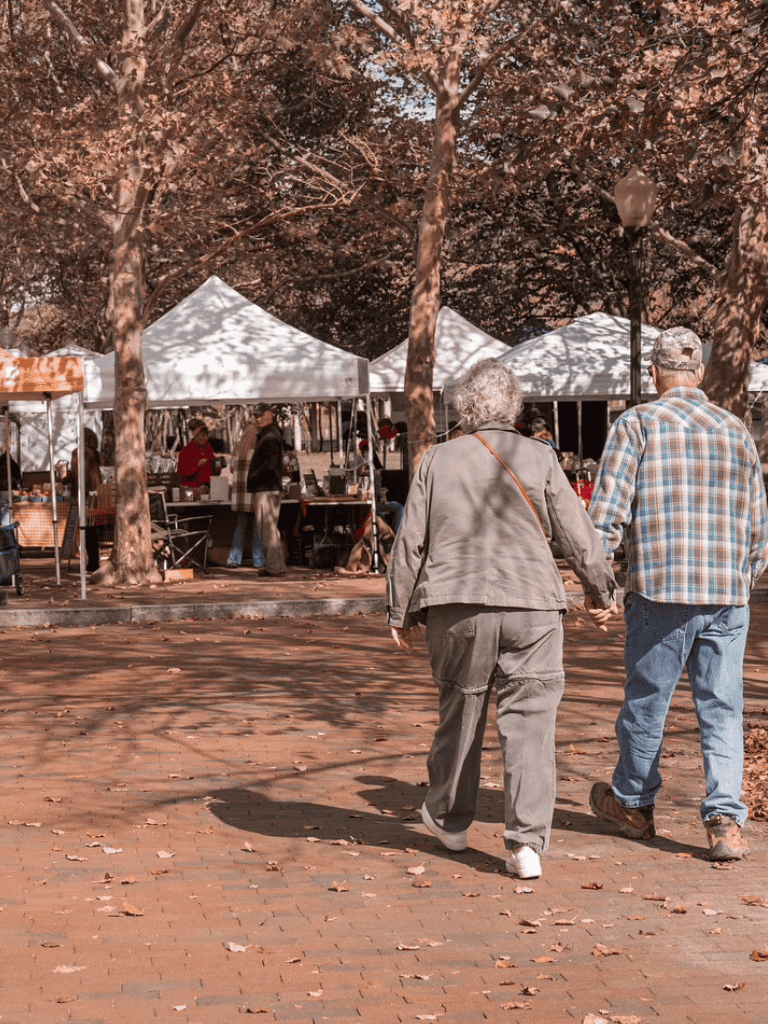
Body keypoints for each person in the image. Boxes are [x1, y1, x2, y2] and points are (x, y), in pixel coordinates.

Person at [386, 358, 617, 879]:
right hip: (534, 603)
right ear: (512, 406)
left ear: (464, 407)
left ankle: (449, 819)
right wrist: (601, 591)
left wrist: (399, 607)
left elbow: (411, 540)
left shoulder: (436, 459)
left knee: (460, 714)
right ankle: (527, 844)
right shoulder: (540, 457)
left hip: (457, 602)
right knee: (531, 723)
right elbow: (576, 532)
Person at [586, 327, 768, 862]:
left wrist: (601, 588)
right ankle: (725, 822)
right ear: (702, 374)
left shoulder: (637, 423)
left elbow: (606, 517)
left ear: (654, 373)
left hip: (660, 591)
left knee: (648, 702)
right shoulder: (736, 430)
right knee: (722, 709)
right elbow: (759, 526)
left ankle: (636, 806)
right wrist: (743, 583)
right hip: (727, 595)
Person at [246, 404, 286, 577]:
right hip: (270, 488)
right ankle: (278, 565)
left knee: (267, 530)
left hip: (266, 489)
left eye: (261, 415)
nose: (257, 418)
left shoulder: (269, 437)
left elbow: (270, 465)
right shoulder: (271, 435)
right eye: (255, 416)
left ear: (270, 416)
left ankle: (272, 567)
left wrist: (254, 476)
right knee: (271, 529)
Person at [226, 415, 266, 570]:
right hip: (255, 493)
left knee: (240, 527)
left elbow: (231, 468)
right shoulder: (258, 448)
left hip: (240, 494)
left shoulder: (239, 447)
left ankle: (234, 560)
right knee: (257, 528)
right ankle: (258, 560)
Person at [64, 428, 102, 573]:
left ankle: (91, 563)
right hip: (95, 493)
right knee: (92, 530)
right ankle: (94, 562)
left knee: (84, 529)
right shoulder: (96, 453)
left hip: (81, 492)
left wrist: (62, 481)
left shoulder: (78, 452)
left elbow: (75, 473)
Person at [177, 420, 220, 489]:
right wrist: (197, 465)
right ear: (195, 435)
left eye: (206, 435)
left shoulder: (208, 449)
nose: (205, 438)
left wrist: (217, 467)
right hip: (192, 490)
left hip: (208, 489)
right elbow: (182, 474)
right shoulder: (186, 451)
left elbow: (212, 472)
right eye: (202, 435)